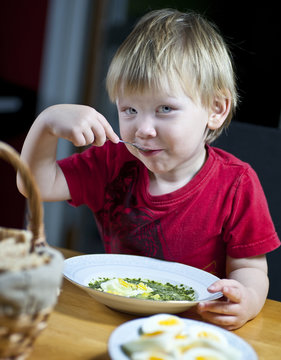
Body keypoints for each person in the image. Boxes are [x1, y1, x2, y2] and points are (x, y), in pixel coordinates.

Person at [17, 9, 280, 330]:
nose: (143, 128)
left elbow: (250, 269)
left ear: (216, 109)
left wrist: (248, 300)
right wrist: (46, 123)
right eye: (129, 109)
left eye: (164, 109)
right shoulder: (111, 162)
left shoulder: (237, 184)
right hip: (113, 317)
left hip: (195, 327)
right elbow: (36, 185)